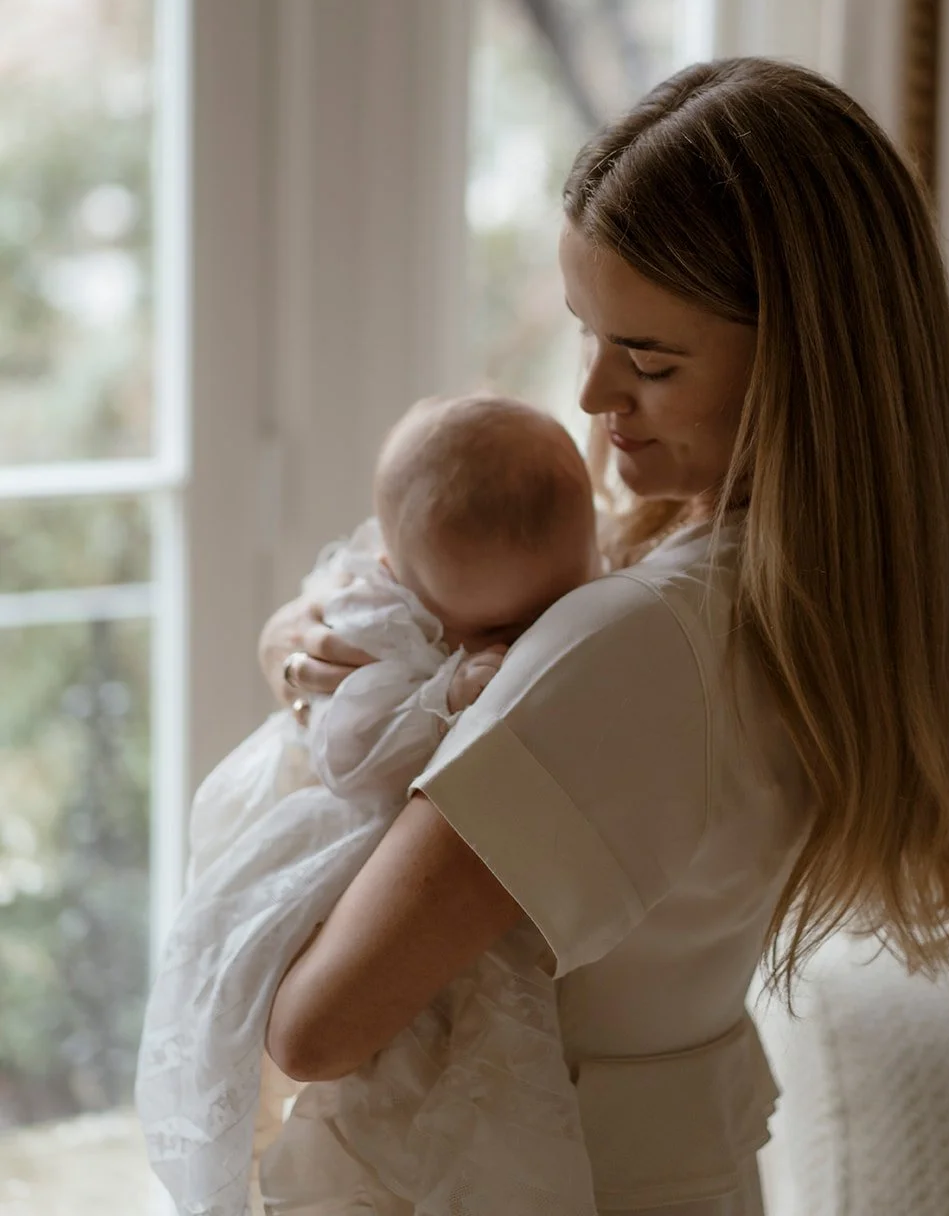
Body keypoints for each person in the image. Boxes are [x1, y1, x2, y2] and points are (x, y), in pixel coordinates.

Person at [260, 58, 949, 1216]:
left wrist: (332, 717)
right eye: (588, 334)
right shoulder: (816, 605)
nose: (595, 395)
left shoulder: (637, 644)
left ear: (805, 363)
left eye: (650, 361)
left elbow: (315, 1027)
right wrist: (311, 639)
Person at [136, 394, 604, 1216]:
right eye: (493, 626)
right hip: (340, 802)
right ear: (399, 575)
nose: (513, 643)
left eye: (546, 609)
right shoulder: (381, 616)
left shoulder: (580, 605)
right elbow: (349, 755)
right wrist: (441, 693)